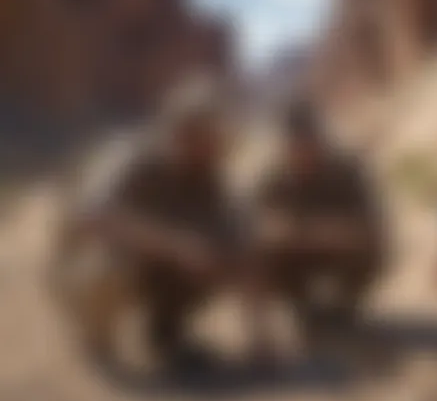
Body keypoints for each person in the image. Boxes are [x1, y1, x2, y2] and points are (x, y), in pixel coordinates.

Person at [52, 76, 273, 369]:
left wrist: (260, 339)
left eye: (212, 138)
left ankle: (166, 331)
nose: (207, 147)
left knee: (218, 256)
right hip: (89, 269)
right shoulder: (133, 160)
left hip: (156, 272)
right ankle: (96, 336)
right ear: (179, 131)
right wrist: (174, 245)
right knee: (107, 270)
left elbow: (243, 252)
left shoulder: (210, 181)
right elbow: (94, 216)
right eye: (198, 135)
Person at [256, 100, 385, 340]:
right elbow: (255, 226)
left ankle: (344, 305)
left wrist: (322, 231)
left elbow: (371, 222)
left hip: (339, 245)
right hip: (295, 252)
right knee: (263, 254)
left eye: (308, 141)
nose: (303, 151)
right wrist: (288, 232)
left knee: (373, 246)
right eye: (295, 144)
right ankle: (303, 307)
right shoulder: (273, 177)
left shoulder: (346, 169)